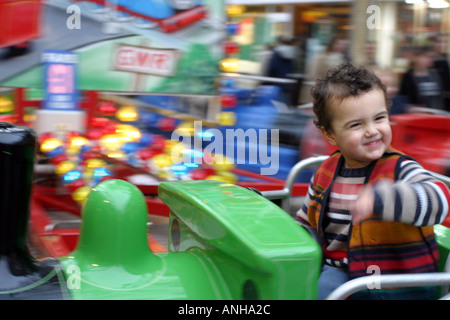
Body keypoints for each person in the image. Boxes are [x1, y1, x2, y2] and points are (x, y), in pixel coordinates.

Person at [296, 63, 450, 300]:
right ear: (330, 134)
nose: (372, 131)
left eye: (379, 118)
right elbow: (307, 221)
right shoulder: (325, 171)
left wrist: (384, 198)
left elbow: (439, 199)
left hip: (397, 283)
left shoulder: (400, 168)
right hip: (342, 273)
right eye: (356, 124)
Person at [398, 46, 445, 111]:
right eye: (426, 57)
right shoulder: (408, 76)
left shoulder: (438, 74)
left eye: (432, 57)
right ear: (416, 58)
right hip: (418, 113)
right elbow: (403, 97)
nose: (430, 59)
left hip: (438, 112)